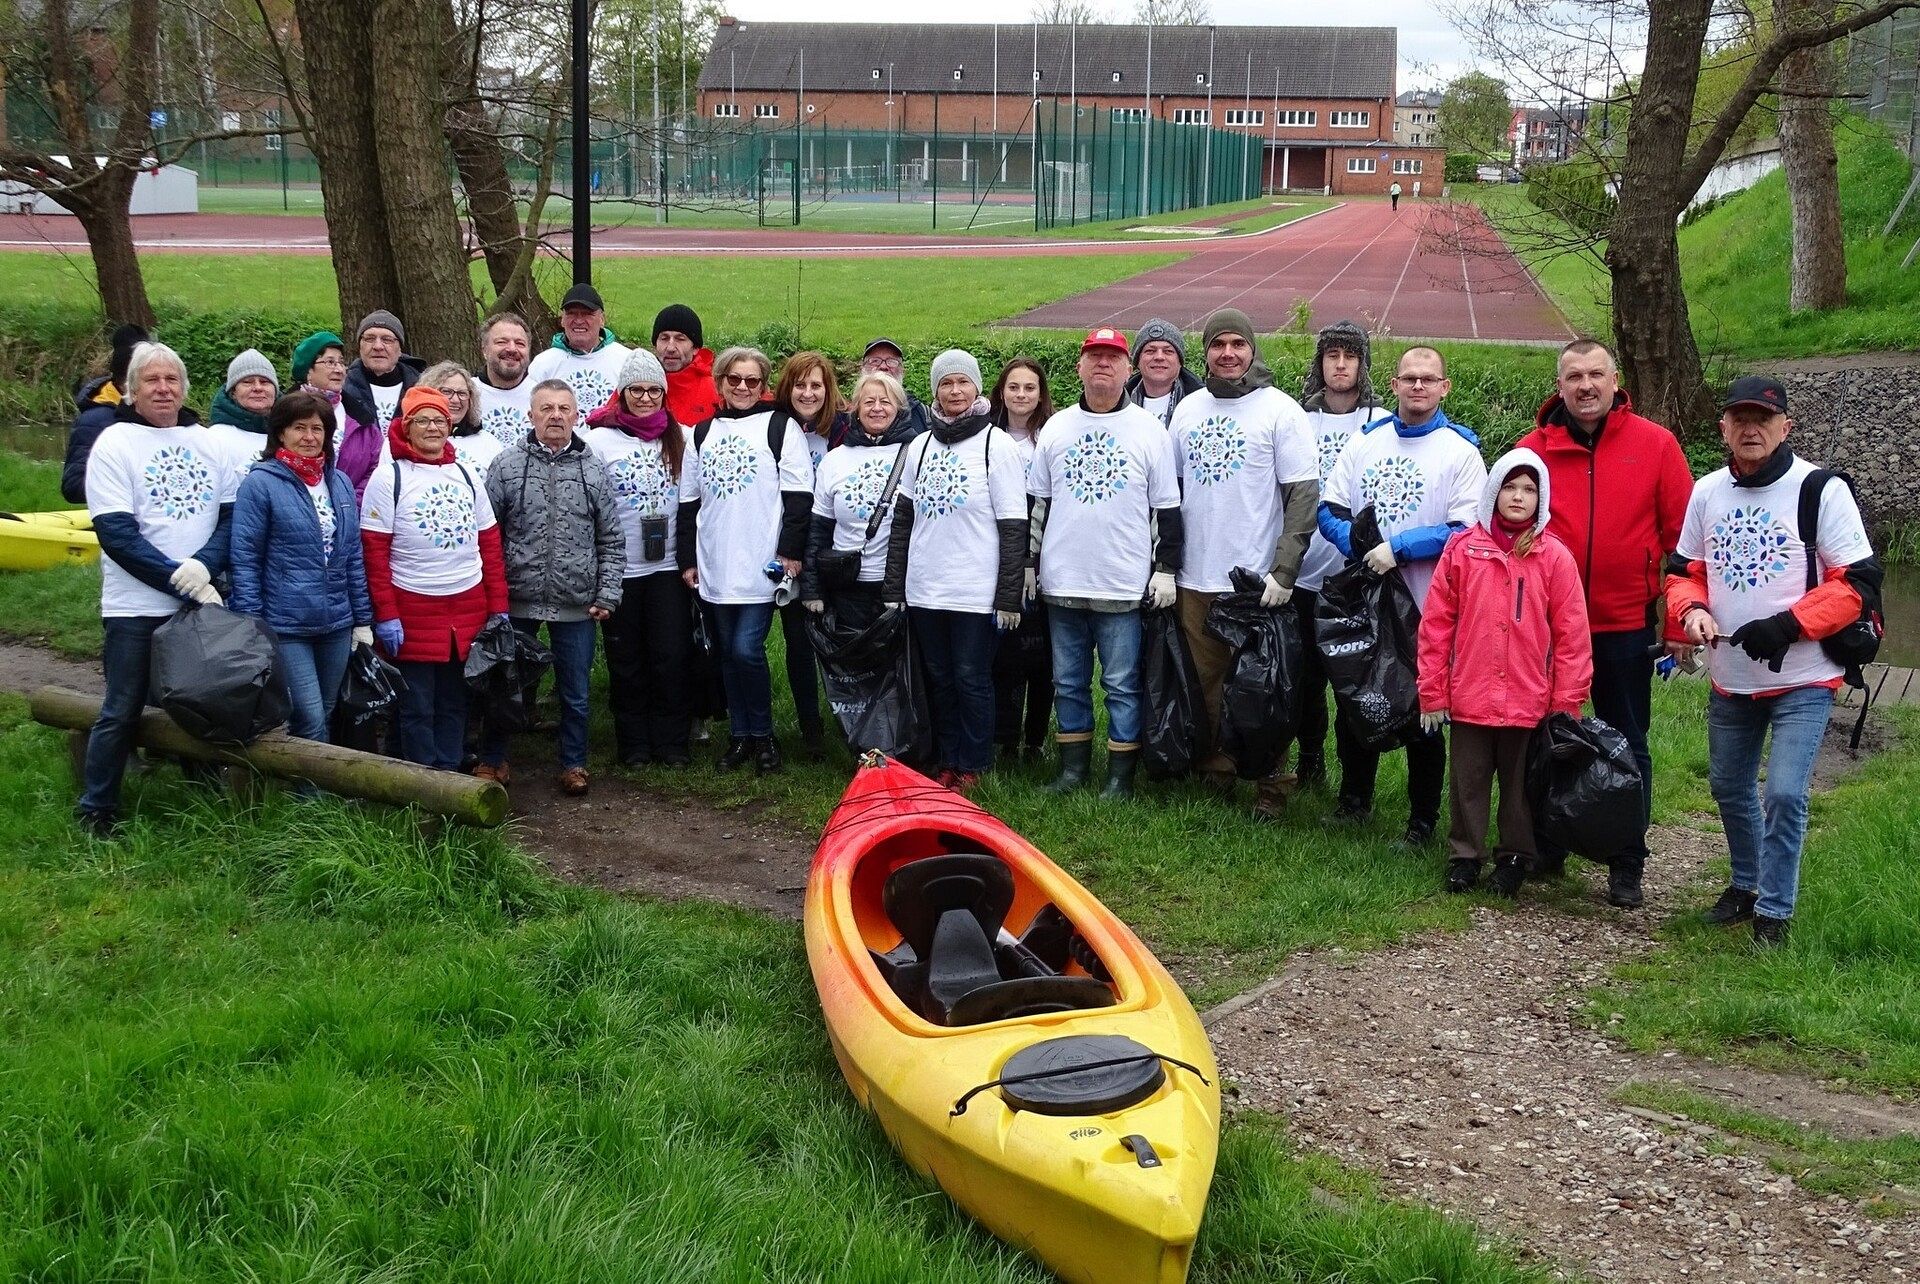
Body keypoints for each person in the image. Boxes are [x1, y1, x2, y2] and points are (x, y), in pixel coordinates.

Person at [1663, 376, 1879, 948]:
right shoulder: (1707, 491)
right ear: (1724, 429)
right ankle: (1745, 884)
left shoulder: (1820, 490)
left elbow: (1858, 582)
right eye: (1740, 419)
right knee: (1729, 785)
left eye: (1763, 419)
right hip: (1731, 675)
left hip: (1804, 674)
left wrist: (1788, 625)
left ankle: (1774, 914)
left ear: (1786, 427)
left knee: (1784, 792)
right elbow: (1684, 572)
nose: (1750, 428)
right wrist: (1691, 613)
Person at [1514, 340, 1694, 906]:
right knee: (1546, 738)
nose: (1585, 385)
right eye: (1574, 376)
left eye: (1596, 374)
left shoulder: (1655, 444)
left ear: (1616, 382)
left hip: (1624, 622)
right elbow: (1506, 530)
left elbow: (1683, 542)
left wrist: (1674, 620)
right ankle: (1547, 843)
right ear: (1559, 385)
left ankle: (1627, 859)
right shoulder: (1533, 451)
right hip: (1547, 626)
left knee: (1628, 741)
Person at [1318, 346, 1488, 845]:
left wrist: (1401, 548)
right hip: (1365, 601)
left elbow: (1466, 527)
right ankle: (1353, 802)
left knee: (1424, 712)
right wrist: (1356, 542)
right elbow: (1329, 507)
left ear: (1444, 387)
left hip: (1427, 603)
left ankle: (1421, 821)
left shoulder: (1461, 452)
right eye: (1409, 378)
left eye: (1428, 379)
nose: (1418, 387)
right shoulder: (1365, 442)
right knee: (1355, 699)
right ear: (1393, 384)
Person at [1418, 448, 1592, 896]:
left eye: (1529, 489)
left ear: (1542, 497)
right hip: (1470, 693)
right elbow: (1437, 623)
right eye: (1510, 487)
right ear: (1493, 491)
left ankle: (1516, 855)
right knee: (1468, 782)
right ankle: (1465, 855)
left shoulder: (1554, 557)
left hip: (1529, 698)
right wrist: (1433, 690)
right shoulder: (1463, 550)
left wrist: (1566, 701)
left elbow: (1572, 635)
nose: (1518, 497)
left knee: (1521, 787)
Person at [76, 342, 234, 836]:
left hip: (198, 601)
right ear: (132, 389)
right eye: (152, 380)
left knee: (200, 702)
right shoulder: (114, 443)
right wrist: (178, 580)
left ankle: (207, 798)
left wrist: (203, 569)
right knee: (122, 707)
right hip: (136, 607)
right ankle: (96, 808)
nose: (163, 389)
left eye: (172, 380)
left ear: (184, 388)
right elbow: (117, 535)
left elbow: (230, 518)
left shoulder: (207, 442)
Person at [1168, 308, 1320, 819]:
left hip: (1256, 580)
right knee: (1208, 682)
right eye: (1218, 345)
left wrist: (1284, 569)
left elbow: (1302, 496)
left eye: (1237, 343)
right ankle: (1217, 769)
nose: (1228, 353)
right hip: (1196, 574)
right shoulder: (1187, 410)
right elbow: (1171, 493)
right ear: (1205, 352)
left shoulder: (1280, 411)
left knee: (1262, 684)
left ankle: (1271, 784)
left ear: (1252, 349)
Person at [1027, 328, 1182, 798]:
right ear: (1079, 366)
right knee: (1068, 681)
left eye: (1112, 358)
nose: (1102, 365)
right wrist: (1031, 565)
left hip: (1122, 582)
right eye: (1094, 356)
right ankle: (1072, 770)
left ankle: (1120, 777)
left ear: (1127, 369)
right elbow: (1040, 503)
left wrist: (1166, 569)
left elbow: (1167, 511)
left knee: (1120, 682)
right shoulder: (1055, 427)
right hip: (1063, 579)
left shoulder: (1149, 431)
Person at [881, 348, 1027, 793]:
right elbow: (902, 520)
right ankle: (946, 758)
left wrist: (1007, 596)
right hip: (926, 589)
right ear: (934, 392)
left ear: (978, 388)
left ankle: (974, 763)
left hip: (974, 591)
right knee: (939, 679)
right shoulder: (919, 446)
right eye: (946, 383)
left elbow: (1013, 526)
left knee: (971, 678)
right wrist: (894, 586)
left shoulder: (994, 445)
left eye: (963, 382)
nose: (955, 391)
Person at [480, 380, 625, 795]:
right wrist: (492, 599)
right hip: (515, 600)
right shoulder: (506, 465)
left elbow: (611, 539)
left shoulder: (592, 469)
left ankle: (573, 763)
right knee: (506, 685)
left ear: (576, 415)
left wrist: (607, 594)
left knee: (574, 690)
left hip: (576, 602)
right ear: (531, 415)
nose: (556, 415)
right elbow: (488, 535)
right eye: (546, 408)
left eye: (564, 408)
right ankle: (493, 758)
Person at [676, 346, 812, 772]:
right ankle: (740, 736)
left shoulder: (780, 427)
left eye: (752, 380)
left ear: (763, 385)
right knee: (725, 654)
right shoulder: (701, 433)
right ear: (720, 383)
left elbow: (798, 496)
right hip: (715, 561)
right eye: (734, 379)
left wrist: (789, 552)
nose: (742, 387)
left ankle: (764, 734)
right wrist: (687, 559)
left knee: (746, 649)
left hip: (761, 564)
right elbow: (688, 502)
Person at [359, 386, 508, 772]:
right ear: (405, 427)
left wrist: (499, 607)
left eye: (439, 420)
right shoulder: (387, 478)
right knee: (416, 707)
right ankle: (423, 783)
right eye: (422, 420)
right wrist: (385, 614)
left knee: (455, 702)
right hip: (412, 611)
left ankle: (451, 776)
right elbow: (374, 554)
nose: (432, 427)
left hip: (466, 609)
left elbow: (489, 544)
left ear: (450, 425)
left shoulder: (466, 474)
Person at [229, 391, 375, 744]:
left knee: (325, 708)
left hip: (336, 620)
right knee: (307, 714)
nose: (310, 437)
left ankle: (308, 788)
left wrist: (362, 619)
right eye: (299, 428)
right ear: (280, 432)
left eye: (318, 429)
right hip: (286, 622)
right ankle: (312, 796)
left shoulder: (337, 481)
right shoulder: (260, 483)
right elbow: (245, 559)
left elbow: (352, 553)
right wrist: (253, 624)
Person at [587, 350, 698, 766]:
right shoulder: (598, 440)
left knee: (671, 655)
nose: (647, 398)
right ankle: (633, 742)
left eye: (655, 390)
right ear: (623, 393)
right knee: (626, 658)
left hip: (668, 568)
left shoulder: (682, 436)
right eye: (638, 390)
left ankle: (672, 742)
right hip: (622, 569)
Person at [1292, 320, 1386, 791]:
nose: (1341, 364)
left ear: (1363, 363)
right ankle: (1310, 762)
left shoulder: (1381, 422)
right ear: (1321, 362)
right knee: (1307, 681)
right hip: (1305, 575)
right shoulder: (1298, 420)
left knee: (1354, 681)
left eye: (1350, 355)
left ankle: (1357, 783)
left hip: (1357, 580)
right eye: (1333, 355)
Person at [803, 371, 916, 631]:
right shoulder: (835, 460)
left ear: (898, 408)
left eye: (885, 402)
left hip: (901, 587)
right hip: (846, 587)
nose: (877, 408)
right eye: (869, 402)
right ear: (855, 409)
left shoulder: (917, 453)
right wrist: (812, 589)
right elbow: (819, 529)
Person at [772, 351, 842, 753]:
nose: (808, 392)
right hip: (784, 549)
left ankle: (848, 717)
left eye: (816, 385)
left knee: (831, 640)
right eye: (800, 384)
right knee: (797, 641)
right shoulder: (774, 426)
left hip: (830, 551)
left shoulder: (841, 431)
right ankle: (809, 725)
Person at [988, 357, 1056, 760]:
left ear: (1041, 394)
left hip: (1045, 561)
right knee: (1006, 655)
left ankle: (1036, 740)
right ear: (1001, 392)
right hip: (1000, 559)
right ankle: (1005, 738)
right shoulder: (988, 437)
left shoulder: (1050, 436)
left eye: (1030, 388)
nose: (1021, 395)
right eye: (1014, 387)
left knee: (1042, 656)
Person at [339, 309, 422, 501]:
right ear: (359, 346)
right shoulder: (342, 389)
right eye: (369, 338)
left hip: (408, 491)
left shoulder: (421, 388)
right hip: (355, 492)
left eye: (387, 339)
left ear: (400, 348)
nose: (378, 346)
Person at [62, 322, 148, 504]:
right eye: (149, 379)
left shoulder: (164, 416)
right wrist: (140, 484)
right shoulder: (94, 420)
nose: (159, 388)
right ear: (124, 379)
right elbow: (74, 486)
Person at [528, 284, 630, 429]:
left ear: (602, 319)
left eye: (587, 314)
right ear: (562, 320)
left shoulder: (625, 359)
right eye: (572, 313)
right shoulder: (544, 363)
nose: (579, 320)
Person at [832, 338, 930, 444]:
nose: (883, 366)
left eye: (891, 361)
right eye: (875, 361)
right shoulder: (844, 419)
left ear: (902, 370)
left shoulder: (922, 413)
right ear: (862, 368)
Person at [204, 349, 280, 481]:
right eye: (248, 382)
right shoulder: (215, 439)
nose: (258, 388)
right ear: (233, 392)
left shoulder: (291, 433)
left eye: (264, 381)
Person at [419, 360, 505, 474]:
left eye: (462, 393)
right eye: (446, 392)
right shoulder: (414, 440)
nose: (455, 400)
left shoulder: (489, 443)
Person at [1123, 317, 1203, 429]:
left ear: (1180, 362)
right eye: (1150, 351)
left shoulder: (1201, 403)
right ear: (1137, 361)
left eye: (1168, 351)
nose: (1159, 357)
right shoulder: (1118, 402)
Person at [473, 312, 535, 446]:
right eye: (502, 342)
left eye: (520, 343)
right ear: (484, 349)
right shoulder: (466, 395)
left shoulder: (542, 395)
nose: (512, 349)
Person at [654, 303, 719, 428]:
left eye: (680, 339)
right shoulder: (637, 384)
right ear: (655, 345)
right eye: (664, 338)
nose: (671, 348)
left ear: (695, 348)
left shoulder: (716, 389)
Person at [291, 330, 349, 440]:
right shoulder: (288, 410)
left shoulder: (356, 413)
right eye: (330, 362)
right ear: (308, 371)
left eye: (341, 362)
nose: (339, 370)